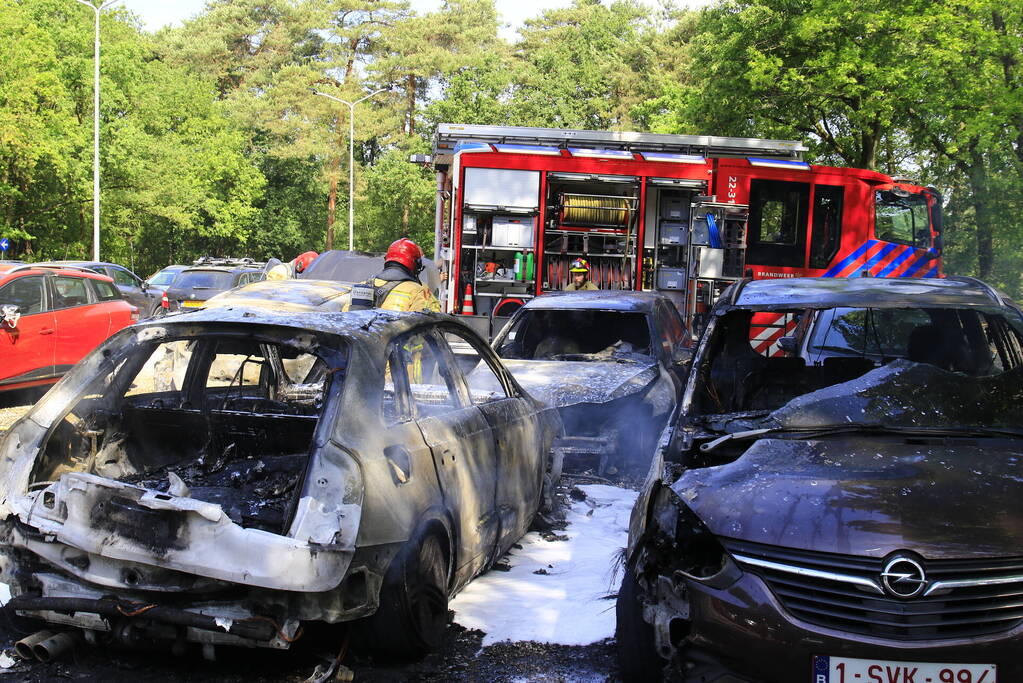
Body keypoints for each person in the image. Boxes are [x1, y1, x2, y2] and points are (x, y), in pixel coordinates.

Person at [350, 238, 441, 312]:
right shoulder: (420, 291)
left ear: (387, 259)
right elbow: (435, 324)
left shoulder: (363, 286)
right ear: (416, 264)